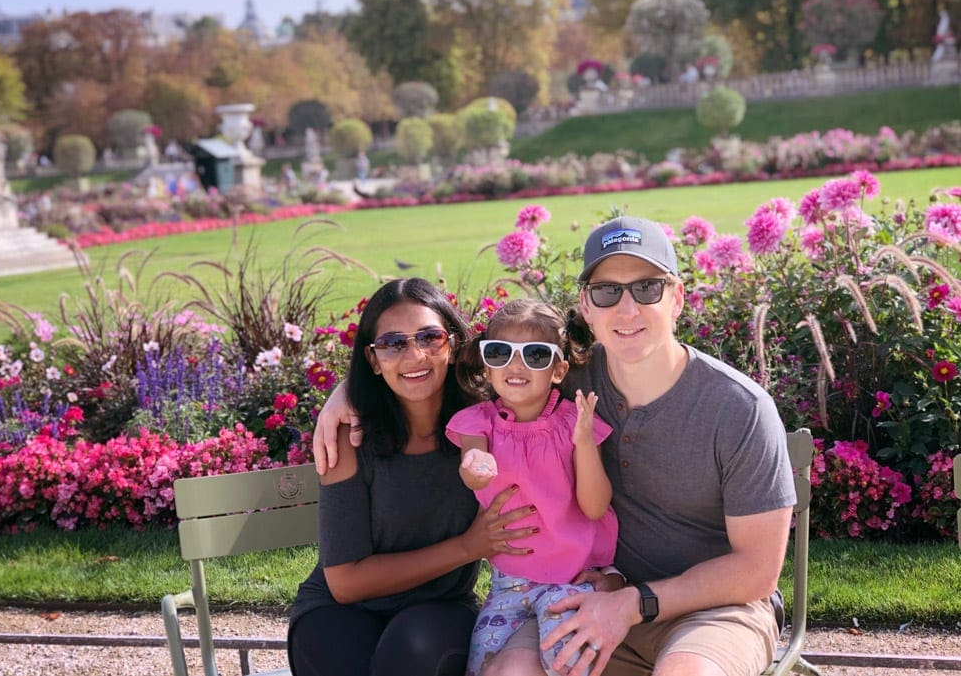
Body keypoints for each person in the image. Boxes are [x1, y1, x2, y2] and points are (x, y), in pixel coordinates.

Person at [314, 217, 796, 676]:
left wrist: (634, 601)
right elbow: (448, 373)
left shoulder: (739, 409)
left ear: (678, 298)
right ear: (586, 306)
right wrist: (349, 392)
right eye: (607, 292)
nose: (626, 309)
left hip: (711, 612)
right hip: (586, 596)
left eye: (647, 288)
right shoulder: (562, 376)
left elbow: (756, 572)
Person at [288, 277, 536, 676]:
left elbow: (551, 377)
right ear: (372, 359)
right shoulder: (348, 434)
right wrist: (469, 547)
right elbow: (345, 582)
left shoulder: (487, 424)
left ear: (453, 345)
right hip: (340, 609)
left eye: (429, 337)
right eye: (392, 344)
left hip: (440, 608)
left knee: (415, 645)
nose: (414, 355)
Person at [446, 299, 618, 676]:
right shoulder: (478, 423)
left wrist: (585, 442)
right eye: (499, 352)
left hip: (572, 576)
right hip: (508, 585)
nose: (515, 365)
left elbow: (594, 507)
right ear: (487, 365)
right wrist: (476, 467)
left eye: (535, 354)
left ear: (558, 369)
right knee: (483, 665)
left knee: (569, 661)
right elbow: (471, 468)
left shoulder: (575, 422)